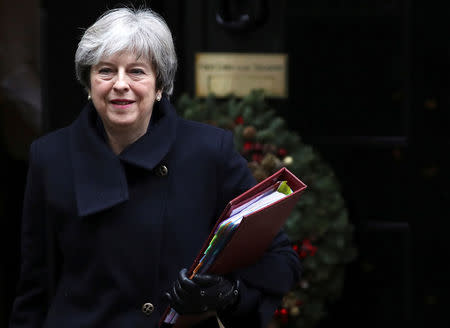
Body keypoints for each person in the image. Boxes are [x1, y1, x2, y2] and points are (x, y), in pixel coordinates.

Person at [9, 7, 301, 328]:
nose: (121, 84)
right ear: (88, 84)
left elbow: (280, 259)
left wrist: (226, 295)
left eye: (137, 72)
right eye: (106, 71)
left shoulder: (208, 152)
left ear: (160, 85)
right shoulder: (50, 157)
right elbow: (35, 288)